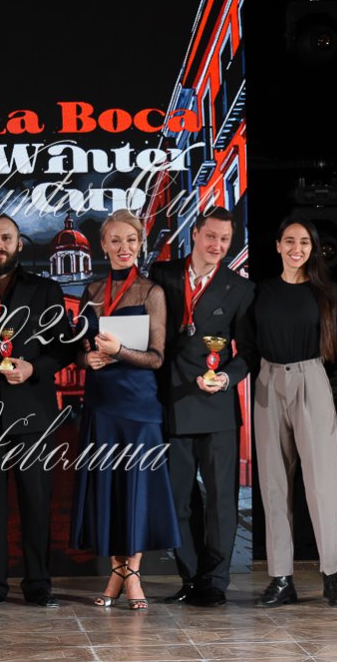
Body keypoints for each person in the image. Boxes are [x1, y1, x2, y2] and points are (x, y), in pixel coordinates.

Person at [0, 213, 74, 609]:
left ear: (19, 243)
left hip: (32, 412)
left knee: (36, 503)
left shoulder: (45, 289)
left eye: (5, 238)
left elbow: (64, 348)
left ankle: (38, 583)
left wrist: (33, 368)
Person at [69, 210, 181, 610]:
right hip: (101, 405)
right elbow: (78, 349)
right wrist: (87, 359)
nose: (123, 248)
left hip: (139, 407)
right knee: (110, 492)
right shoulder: (92, 290)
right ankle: (119, 573)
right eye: (115, 240)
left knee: (136, 490)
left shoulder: (152, 292)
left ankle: (131, 574)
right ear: (103, 245)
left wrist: (119, 351)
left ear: (140, 244)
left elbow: (157, 357)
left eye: (131, 240)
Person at [252, 217, 337, 609]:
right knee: (273, 485)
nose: (296, 248)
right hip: (267, 382)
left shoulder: (325, 292)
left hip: (311, 380)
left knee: (322, 485)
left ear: (313, 248)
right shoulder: (261, 291)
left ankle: (332, 575)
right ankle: (281, 578)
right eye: (289, 241)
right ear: (277, 245)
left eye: (304, 242)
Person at [149, 206, 255, 607]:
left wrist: (225, 377)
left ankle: (215, 581)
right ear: (195, 234)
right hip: (172, 402)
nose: (218, 246)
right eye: (211, 236)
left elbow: (249, 352)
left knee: (221, 500)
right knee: (177, 500)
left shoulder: (240, 288)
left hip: (216, 405)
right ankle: (190, 577)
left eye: (225, 240)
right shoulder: (162, 274)